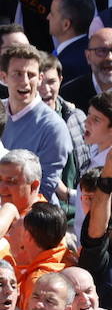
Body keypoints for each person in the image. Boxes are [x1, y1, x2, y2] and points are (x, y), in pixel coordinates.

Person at [3, 44, 73, 200]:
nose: (25, 81)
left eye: (31, 75)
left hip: (28, 219)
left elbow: (43, 190)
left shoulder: (54, 127)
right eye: (17, 74)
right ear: (3, 77)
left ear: (40, 78)